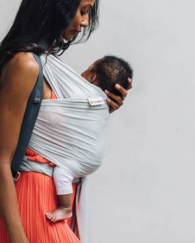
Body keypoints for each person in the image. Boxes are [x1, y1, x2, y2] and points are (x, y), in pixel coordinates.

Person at [0, 0, 132, 243]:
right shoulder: (25, 65)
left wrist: (98, 111)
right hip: (32, 204)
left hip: (52, 204)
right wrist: (18, 238)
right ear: (58, 4)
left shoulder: (43, 62)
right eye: (82, 11)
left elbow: (49, 126)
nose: (84, 22)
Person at [45, 56, 133, 223]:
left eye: (87, 68)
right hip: (94, 157)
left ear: (92, 77)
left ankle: (65, 208)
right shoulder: (99, 104)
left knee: (62, 172)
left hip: (79, 160)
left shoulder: (75, 95)